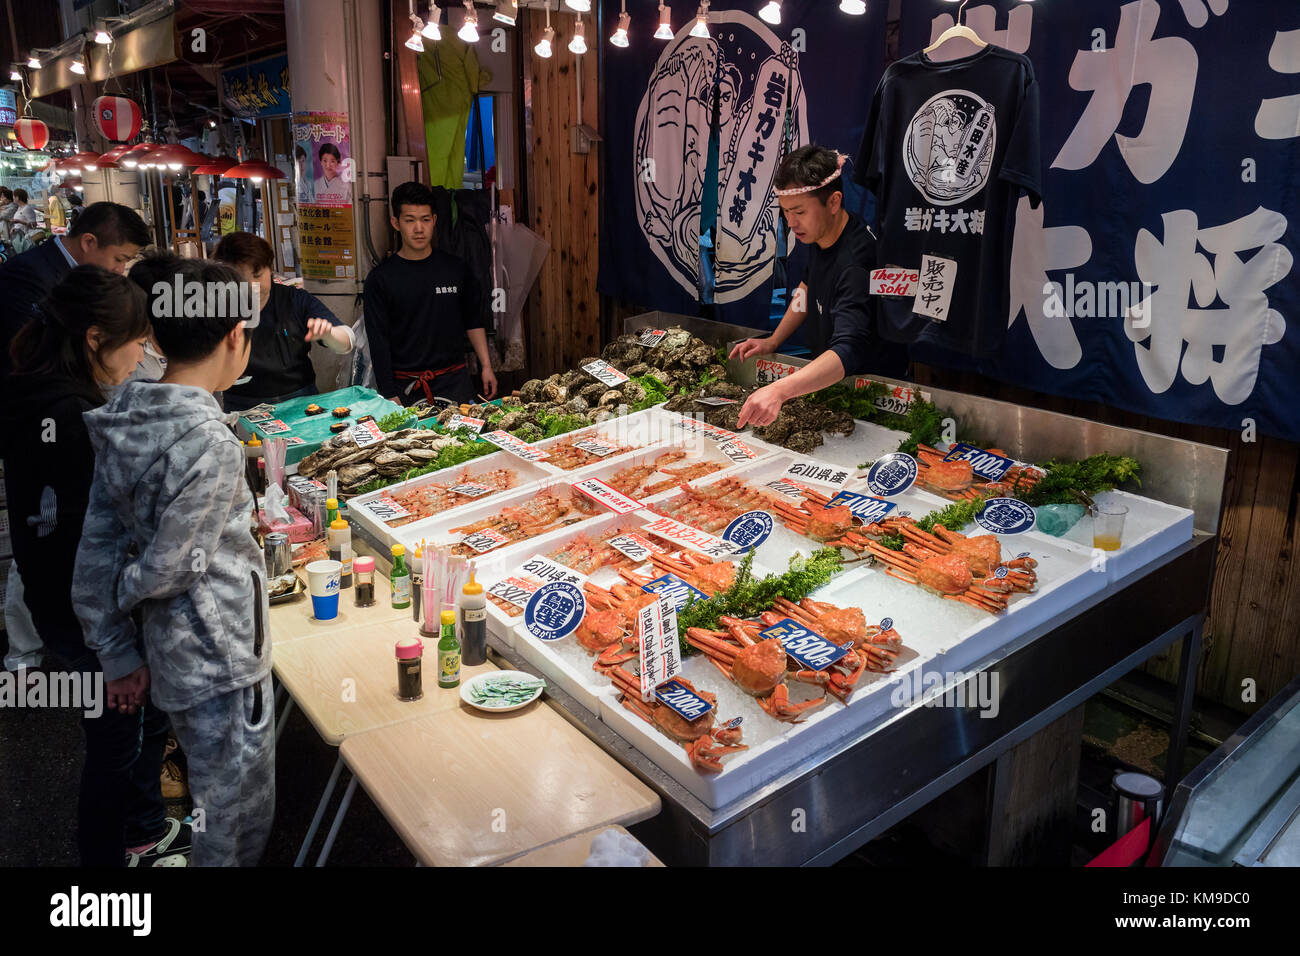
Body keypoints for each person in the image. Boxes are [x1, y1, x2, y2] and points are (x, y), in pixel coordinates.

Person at [73, 252, 275, 867]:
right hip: (223, 659)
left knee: (211, 798)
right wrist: (134, 588)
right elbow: (171, 567)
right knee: (235, 821)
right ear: (235, 336)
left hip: (173, 653)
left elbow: (96, 549)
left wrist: (114, 647)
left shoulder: (128, 415)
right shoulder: (210, 440)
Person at [1, 266, 185, 866]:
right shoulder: (69, 415)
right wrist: (116, 651)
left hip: (59, 603)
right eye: (138, 343)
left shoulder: (40, 390)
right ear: (94, 337)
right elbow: (87, 542)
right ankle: (105, 872)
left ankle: (143, 831)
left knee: (133, 731)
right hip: (83, 615)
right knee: (115, 745)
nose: (142, 357)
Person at [732, 146, 908, 428]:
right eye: (786, 212)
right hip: (834, 388)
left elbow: (847, 352)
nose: (791, 223)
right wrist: (774, 340)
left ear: (834, 201)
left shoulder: (855, 265)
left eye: (799, 211)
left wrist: (778, 391)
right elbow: (806, 287)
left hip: (872, 400)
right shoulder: (824, 234)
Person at [363, 181, 497, 404]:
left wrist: (486, 366)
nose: (418, 228)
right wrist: (388, 393)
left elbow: (473, 321)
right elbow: (379, 341)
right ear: (396, 223)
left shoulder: (456, 269)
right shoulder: (380, 280)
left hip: (456, 382)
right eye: (410, 220)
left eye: (425, 219)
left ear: (434, 220)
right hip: (405, 388)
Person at [0, 200, 151, 370]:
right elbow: (27, 355)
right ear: (88, 242)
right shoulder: (28, 276)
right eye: (119, 259)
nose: (120, 270)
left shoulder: (85, 277)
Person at [213, 231, 354, 411]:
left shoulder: (294, 300)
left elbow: (347, 341)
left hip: (300, 401)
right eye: (240, 279)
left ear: (270, 269)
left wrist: (329, 335)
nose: (251, 285)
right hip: (242, 406)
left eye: (257, 275)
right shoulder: (215, 307)